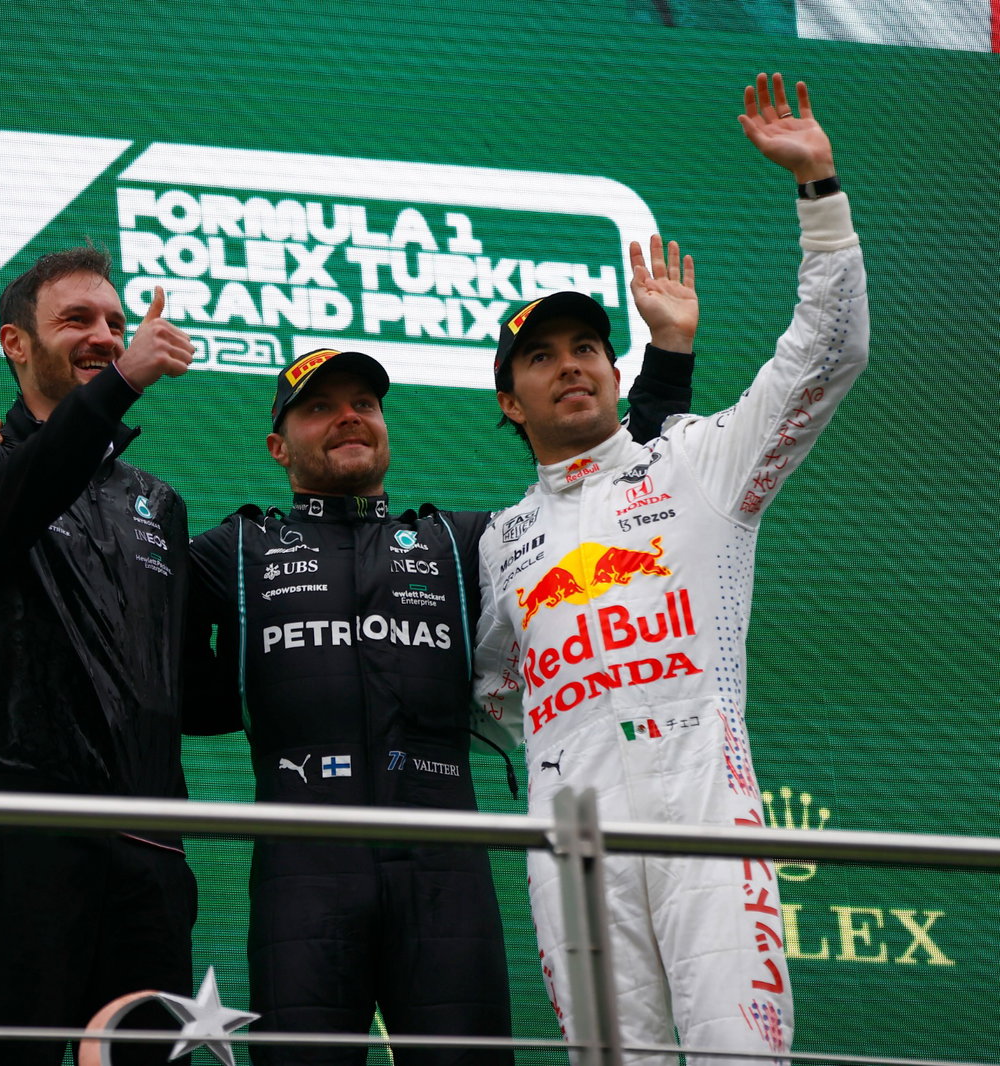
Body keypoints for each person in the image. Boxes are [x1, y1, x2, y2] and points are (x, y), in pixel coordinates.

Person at [473, 73, 866, 1064]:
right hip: (570, 832)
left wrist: (817, 185)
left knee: (742, 1051)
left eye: (588, 348)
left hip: (703, 800)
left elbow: (826, 354)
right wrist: (571, 744)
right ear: (511, 404)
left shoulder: (695, 464)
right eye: (542, 357)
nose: (571, 363)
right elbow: (490, 685)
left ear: (617, 372)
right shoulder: (497, 542)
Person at [182, 329, 693, 1060]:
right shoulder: (233, 552)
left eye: (364, 403)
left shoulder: (463, 544)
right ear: (277, 447)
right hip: (303, 874)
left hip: (446, 870)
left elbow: (608, 478)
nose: (349, 416)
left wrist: (668, 364)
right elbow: (126, 628)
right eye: (319, 408)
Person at [0, 247, 205, 1064]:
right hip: (23, 836)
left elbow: (187, 681)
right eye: (76, 320)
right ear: (13, 342)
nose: (105, 337)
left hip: (150, 850)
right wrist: (124, 386)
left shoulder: (159, 502)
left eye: (116, 323)